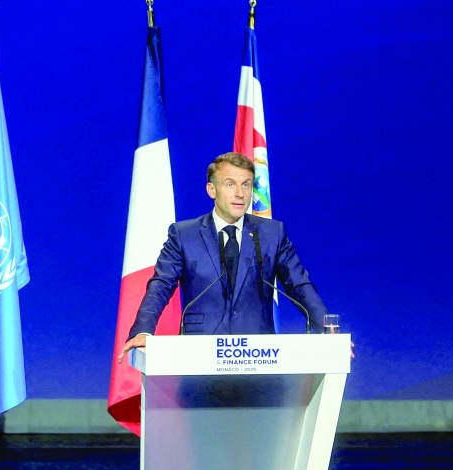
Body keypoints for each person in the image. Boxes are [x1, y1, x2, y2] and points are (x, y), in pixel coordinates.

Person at [116, 152, 328, 362]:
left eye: (246, 185)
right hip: (197, 356)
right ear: (212, 190)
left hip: (258, 358)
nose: (240, 194)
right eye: (230, 184)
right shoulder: (184, 235)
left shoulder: (272, 234)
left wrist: (328, 332)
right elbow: (160, 286)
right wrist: (143, 330)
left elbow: (300, 285)